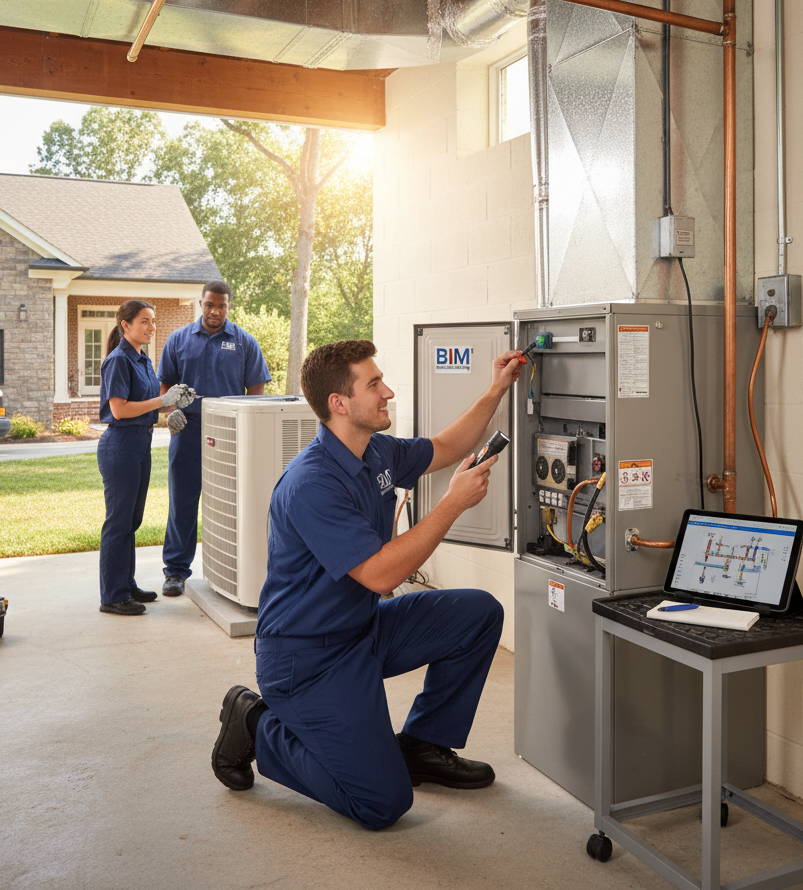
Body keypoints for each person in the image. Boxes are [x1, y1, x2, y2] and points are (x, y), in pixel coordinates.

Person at [210, 339, 523, 829]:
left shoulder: (374, 450)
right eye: (374, 385)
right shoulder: (312, 483)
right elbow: (381, 575)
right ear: (339, 404)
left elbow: (445, 448)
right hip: (306, 658)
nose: (388, 392)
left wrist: (496, 388)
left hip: (362, 630)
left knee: (478, 613)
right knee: (382, 803)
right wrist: (453, 503)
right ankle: (254, 721)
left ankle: (421, 744)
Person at [157, 280, 271, 597]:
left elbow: (257, 390)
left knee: (233, 501)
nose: (215, 311)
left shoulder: (244, 342)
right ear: (201, 303)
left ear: (228, 306)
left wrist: (247, 426)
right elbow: (164, 385)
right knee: (182, 501)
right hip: (188, 429)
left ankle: (231, 568)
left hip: (230, 433)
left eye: (221, 306)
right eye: (209, 305)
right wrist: (170, 414)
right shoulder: (179, 340)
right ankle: (176, 572)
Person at [96, 300, 194, 616]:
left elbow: (150, 403)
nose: (151, 327)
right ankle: (112, 596)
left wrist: (173, 406)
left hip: (140, 445)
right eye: (144, 321)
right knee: (118, 522)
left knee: (131, 521)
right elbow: (120, 409)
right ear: (125, 325)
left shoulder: (142, 359)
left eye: (153, 321)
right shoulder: (118, 360)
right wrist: (162, 400)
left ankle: (126, 585)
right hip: (120, 447)